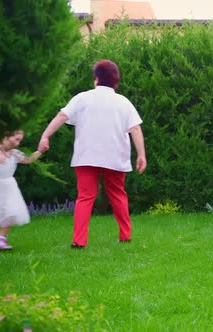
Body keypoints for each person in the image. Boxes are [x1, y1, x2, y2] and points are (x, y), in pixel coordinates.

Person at [38, 59, 146, 249]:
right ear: (115, 81)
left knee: (85, 197)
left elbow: (62, 116)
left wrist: (45, 136)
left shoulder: (82, 98)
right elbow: (135, 129)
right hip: (115, 155)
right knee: (118, 194)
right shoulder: (123, 102)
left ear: (96, 79)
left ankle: (78, 241)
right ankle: (125, 235)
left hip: (86, 155)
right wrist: (141, 155)